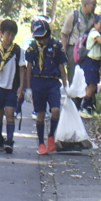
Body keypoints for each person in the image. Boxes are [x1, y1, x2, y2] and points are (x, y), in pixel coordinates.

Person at [24, 19, 67, 155]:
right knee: (40, 114)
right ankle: (41, 144)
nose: (41, 40)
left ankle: (51, 136)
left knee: (56, 110)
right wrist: (28, 88)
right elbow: (29, 67)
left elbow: (61, 66)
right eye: (38, 38)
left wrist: (66, 86)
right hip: (38, 82)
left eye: (42, 37)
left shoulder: (56, 46)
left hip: (53, 82)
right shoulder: (33, 47)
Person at [0, 19, 25, 154]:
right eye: (7, 34)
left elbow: (22, 68)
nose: (10, 37)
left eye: (12, 35)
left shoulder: (17, 51)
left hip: (11, 87)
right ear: (1, 33)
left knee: (10, 114)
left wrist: (21, 86)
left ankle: (9, 140)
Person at [61, 0, 97, 85]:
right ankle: (74, 99)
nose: (94, 7)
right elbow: (64, 35)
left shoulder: (94, 18)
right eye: (93, 5)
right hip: (74, 50)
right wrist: (64, 53)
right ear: (85, 5)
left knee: (87, 79)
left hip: (87, 51)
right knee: (73, 79)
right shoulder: (73, 16)